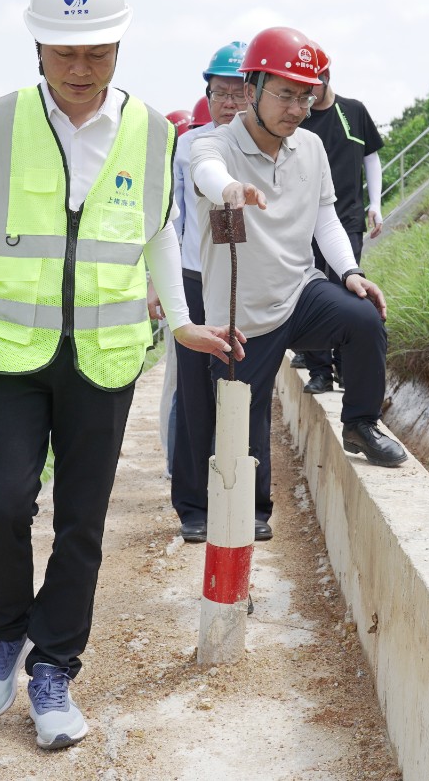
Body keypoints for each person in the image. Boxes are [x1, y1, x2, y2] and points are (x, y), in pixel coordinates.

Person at [0, 0, 241, 752]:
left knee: (82, 522)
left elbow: (159, 233)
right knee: (3, 504)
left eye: (97, 53)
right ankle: (6, 630)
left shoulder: (154, 133)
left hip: (105, 357)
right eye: (64, 52)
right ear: (37, 46)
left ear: (120, 46)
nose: (80, 70)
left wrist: (182, 322)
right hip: (13, 353)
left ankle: (53, 668)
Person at [171, 26, 407, 545]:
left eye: (305, 96)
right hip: (241, 313)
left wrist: (351, 273)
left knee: (363, 318)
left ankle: (361, 422)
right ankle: (244, 509)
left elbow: (325, 217)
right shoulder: (214, 142)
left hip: (299, 291)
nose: (297, 109)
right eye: (285, 94)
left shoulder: (311, 147)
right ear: (252, 88)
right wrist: (230, 188)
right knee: (241, 413)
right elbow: (206, 171)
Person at [166, 41, 249, 539]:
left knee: (246, 389)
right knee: (194, 396)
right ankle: (193, 507)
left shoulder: (266, 146)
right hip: (197, 280)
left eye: (240, 93)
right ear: (208, 95)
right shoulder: (187, 147)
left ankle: (245, 500)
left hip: (246, 285)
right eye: (221, 93)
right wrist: (162, 285)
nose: (230, 103)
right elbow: (171, 217)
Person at [297, 45, 386, 395]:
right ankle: (320, 371)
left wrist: (375, 203)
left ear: (326, 77)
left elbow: (371, 158)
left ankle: (347, 368)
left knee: (347, 289)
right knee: (310, 290)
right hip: (306, 221)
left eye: (310, 86)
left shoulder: (353, 111)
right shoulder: (299, 118)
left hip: (346, 218)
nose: (305, 95)